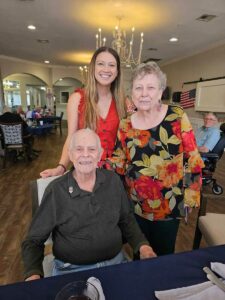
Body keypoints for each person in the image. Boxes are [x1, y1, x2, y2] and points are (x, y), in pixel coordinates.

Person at [22, 128, 156, 281]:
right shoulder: (56, 190)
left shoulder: (113, 181)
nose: (85, 154)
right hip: (71, 271)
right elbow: (33, 240)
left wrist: (143, 246)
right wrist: (33, 274)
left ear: (100, 154)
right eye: (79, 149)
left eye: (91, 149)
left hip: (116, 264)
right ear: (71, 155)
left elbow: (127, 220)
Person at [108, 62, 205, 256]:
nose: (144, 93)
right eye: (139, 88)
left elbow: (192, 158)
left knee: (162, 257)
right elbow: (119, 162)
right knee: (139, 254)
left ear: (160, 92)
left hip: (169, 206)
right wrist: (90, 167)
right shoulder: (125, 125)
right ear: (132, 94)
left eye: (151, 87)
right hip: (135, 205)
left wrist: (191, 196)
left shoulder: (176, 116)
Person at [40, 46, 126, 178]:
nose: (106, 69)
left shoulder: (123, 102)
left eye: (112, 65)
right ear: (93, 68)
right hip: (85, 169)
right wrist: (61, 167)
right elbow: (71, 137)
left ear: (117, 71)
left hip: (114, 173)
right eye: (101, 64)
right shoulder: (77, 99)